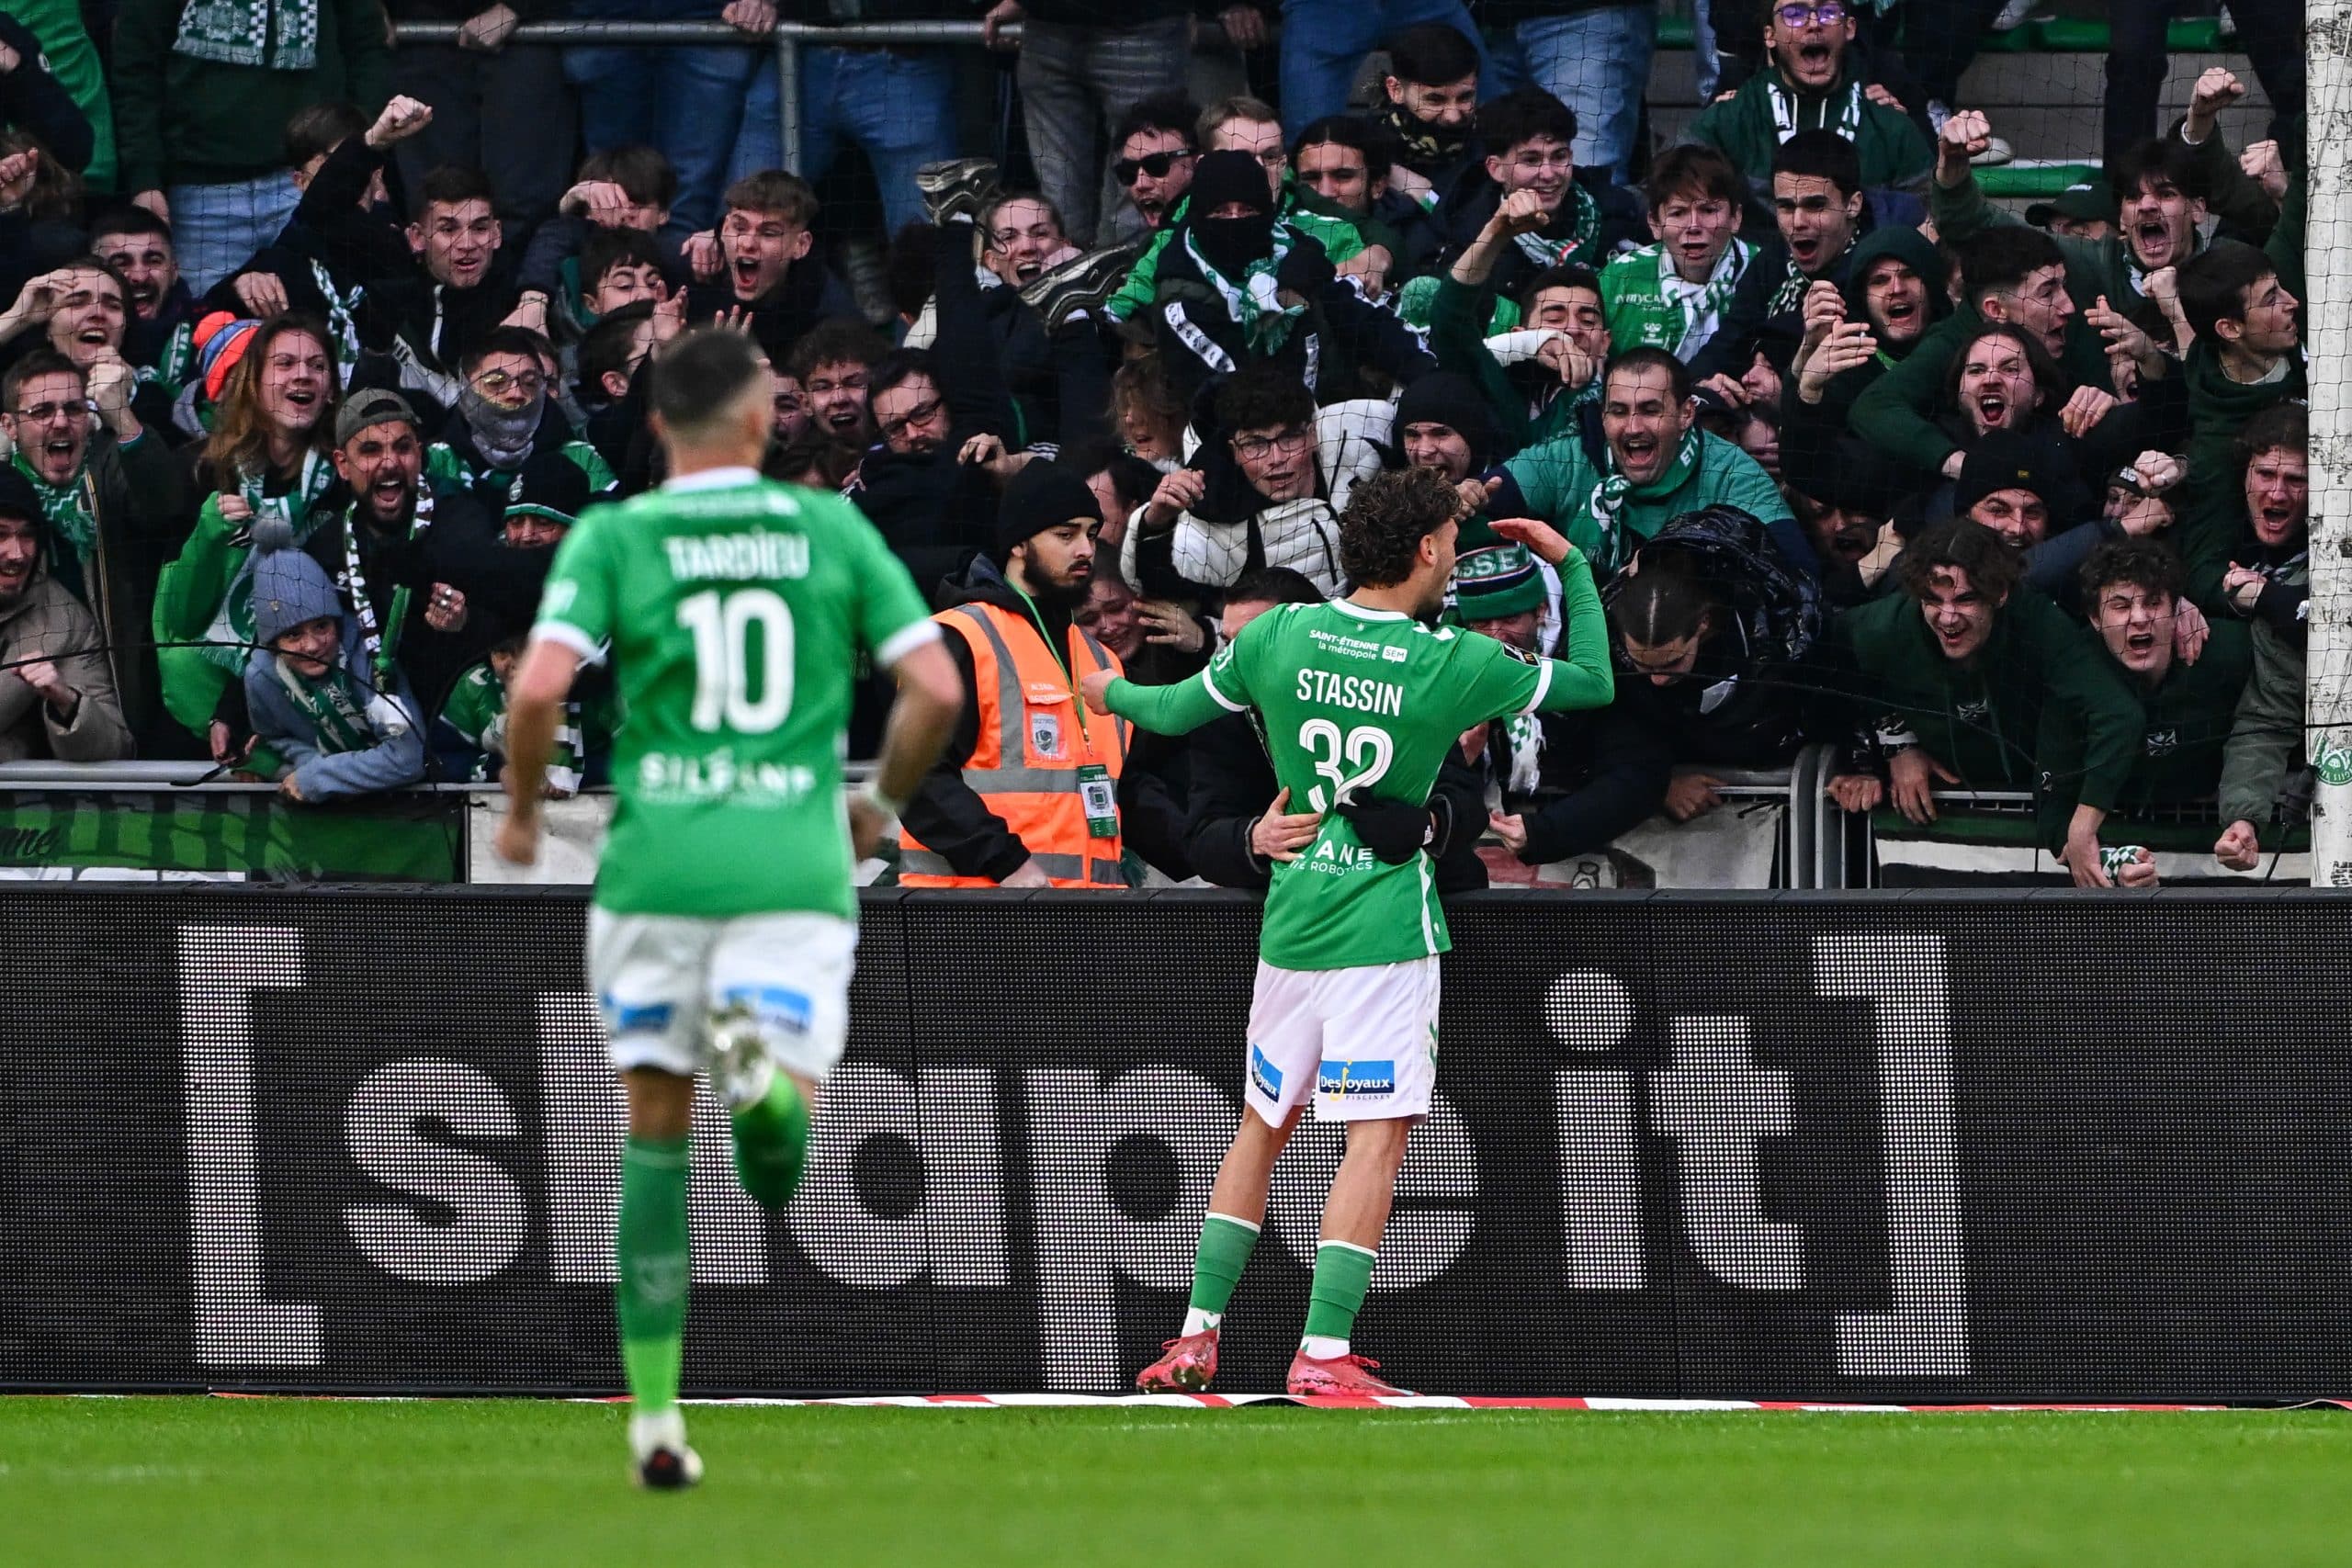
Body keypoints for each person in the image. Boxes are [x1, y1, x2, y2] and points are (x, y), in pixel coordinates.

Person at [496, 326, 962, 1487]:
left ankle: (655, 1418)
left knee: (652, 1142)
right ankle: (761, 1086)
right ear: (763, 421)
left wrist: (516, 813)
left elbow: (541, 685)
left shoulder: (615, 531)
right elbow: (935, 684)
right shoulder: (828, 526)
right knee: (772, 1164)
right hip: (788, 866)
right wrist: (883, 800)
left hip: (656, 867)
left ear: (656, 424)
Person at [1079, 465, 1613, 1397]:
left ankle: (1195, 1337)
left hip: (1290, 924)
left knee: (1259, 1128)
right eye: (1449, 539)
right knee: (1376, 1138)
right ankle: (1322, 1355)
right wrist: (1569, 564)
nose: (1455, 554)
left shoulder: (1280, 633)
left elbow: (1167, 710)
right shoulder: (1451, 661)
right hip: (1382, 932)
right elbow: (1597, 684)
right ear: (1423, 549)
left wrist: (1105, 693)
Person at [899, 460, 1186, 887]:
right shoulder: (959, 637)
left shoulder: (1103, 661)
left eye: (1091, 533)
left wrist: (1236, 850)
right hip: (972, 918)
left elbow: (1129, 794)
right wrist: (1007, 862)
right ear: (1018, 544)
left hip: (1086, 922)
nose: (1086, 549)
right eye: (1065, 535)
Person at [1823, 519, 2151, 889]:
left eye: (1965, 599)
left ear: (1999, 594)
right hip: (1939, 819)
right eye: (1933, 599)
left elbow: (2119, 714)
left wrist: (2084, 826)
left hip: (2036, 798)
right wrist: (1896, 741)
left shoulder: (2039, 621)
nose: (1948, 618)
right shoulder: (1880, 627)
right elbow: (1832, 662)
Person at [110, 0, 391, 292]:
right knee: (206, 330)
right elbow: (136, 62)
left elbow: (368, 45)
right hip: (198, 192)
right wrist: (145, 179)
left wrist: (358, 157)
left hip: (315, 179)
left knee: (330, 327)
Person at [0, 349, 187, 743]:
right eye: (41, 412)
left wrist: (120, 414)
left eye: (74, 408)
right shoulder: (5, 487)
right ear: (10, 427)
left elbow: (168, 505)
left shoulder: (114, 467)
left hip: (122, 678)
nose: (61, 422)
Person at [1491, 346, 1802, 578]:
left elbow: (1798, 571)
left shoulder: (1732, 472)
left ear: (1686, 414)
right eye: (1619, 411)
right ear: (1603, 416)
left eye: (1650, 410)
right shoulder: (1569, 457)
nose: (1634, 427)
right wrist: (1466, 497)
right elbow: (1483, 503)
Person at [982, 6, 1194, 248]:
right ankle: (1070, 282)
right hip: (1047, 28)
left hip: (1142, 29)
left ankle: (1131, 281)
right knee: (1060, 215)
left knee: (1139, 202)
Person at [1684, 0, 1931, 199]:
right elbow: (1660, 195)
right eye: (1794, 13)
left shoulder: (1889, 122)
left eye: (1828, 12)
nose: (1814, 23)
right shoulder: (1731, 117)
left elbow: (1935, 219)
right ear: (1769, 35)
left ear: (1849, 28)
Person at [242, 544, 426, 801]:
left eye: (321, 626)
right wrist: (307, 760)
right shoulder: (260, 678)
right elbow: (275, 736)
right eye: (293, 634)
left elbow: (407, 758)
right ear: (273, 645)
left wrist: (317, 777)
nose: (313, 646)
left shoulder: (372, 656)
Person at [0, 467, 132, 762]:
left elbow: (117, 746)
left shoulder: (65, 619)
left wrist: (67, 702)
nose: (17, 554)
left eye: (27, 536)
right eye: (1, 535)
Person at [1599, 145, 1758, 365]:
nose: (1693, 225)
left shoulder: (1764, 270)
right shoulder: (1620, 274)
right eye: (1678, 213)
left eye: (1709, 210)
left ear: (1735, 218)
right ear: (1654, 224)